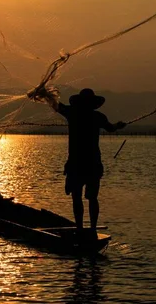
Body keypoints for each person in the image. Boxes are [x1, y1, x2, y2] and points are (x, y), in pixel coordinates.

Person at [48, 88, 126, 237]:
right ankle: (92, 229)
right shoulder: (98, 117)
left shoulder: (73, 113)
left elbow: (56, 105)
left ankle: (79, 228)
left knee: (77, 197)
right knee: (92, 198)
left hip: (77, 164)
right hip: (92, 164)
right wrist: (119, 125)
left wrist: (45, 94)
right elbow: (111, 128)